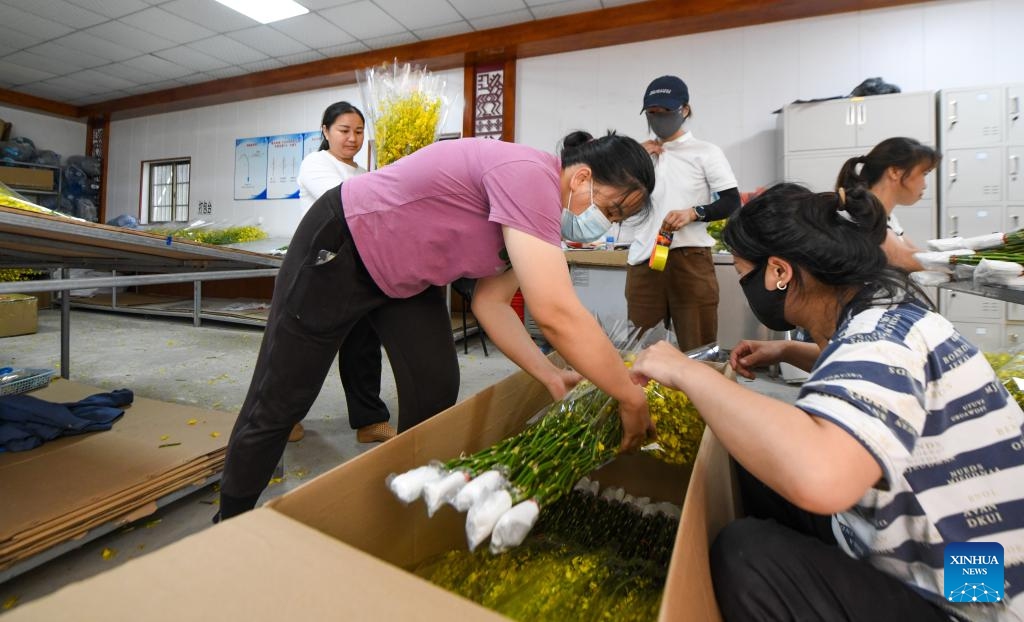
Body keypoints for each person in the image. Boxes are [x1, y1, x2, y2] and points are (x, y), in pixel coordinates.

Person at [630, 183, 1024, 621]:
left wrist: (688, 372)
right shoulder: (889, 316)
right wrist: (787, 350)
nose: (746, 285)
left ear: (779, 272)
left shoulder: (877, 343)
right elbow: (864, 373)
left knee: (747, 557)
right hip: (961, 551)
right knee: (755, 458)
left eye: (744, 273)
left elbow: (821, 478)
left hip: (975, 592)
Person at [218, 131, 658, 519]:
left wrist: (549, 374)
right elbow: (556, 313)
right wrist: (627, 393)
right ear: (581, 178)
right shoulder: (528, 174)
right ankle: (232, 517)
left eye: (616, 220)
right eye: (612, 209)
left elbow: (492, 302)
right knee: (281, 396)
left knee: (434, 385)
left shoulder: (541, 216)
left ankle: (400, 500)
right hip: (344, 246)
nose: (607, 224)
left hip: (406, 278)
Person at [292, 101, 396, 445]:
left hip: (362, 266)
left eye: (359, 132)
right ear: (325, 131)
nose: (352, 138)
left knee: (364, 346)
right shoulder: (315, 163)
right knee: (308, 348)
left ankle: (370, 420)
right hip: (324, 267)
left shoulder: (365, 172)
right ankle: (285, 417)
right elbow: (343, 205)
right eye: (344, 130)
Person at [624, 75, 740, 351]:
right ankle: (643, 395)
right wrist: (634, 159)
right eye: (652, 113)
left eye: (666, 112)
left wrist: (694, 212)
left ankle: (699, 394)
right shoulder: (640, 156)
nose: (659, 118)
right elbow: (618, 197)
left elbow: (731, 201)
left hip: (690, 258)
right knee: (641, 346)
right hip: (644, 258)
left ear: (684, 110)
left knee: (698, 345)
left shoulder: (706, 153)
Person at [836, 136, 940, 273]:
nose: (925, 185)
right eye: (924, 174)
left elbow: (911, 251)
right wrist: (963, 260)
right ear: (895, 172)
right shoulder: (862, 213)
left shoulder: (887, 216)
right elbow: (903, 259)